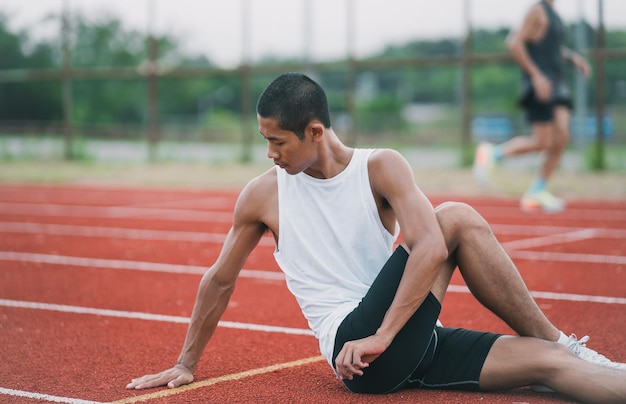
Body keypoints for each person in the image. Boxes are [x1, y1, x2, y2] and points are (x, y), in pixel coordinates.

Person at [127, 73, 625, 402]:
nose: (270, 153)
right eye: (266, 141)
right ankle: (562, 339)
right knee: (453, 216)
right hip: (358, 350)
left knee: (552, 366)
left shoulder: (379, 167)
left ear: (315, 132)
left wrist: (389, 333)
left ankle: (564, 349)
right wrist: (186, 363)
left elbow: (427, 247)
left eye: (277, 141)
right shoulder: (263, 196)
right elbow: (219, 280)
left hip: (408, 342)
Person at [473, 0, 591, 213]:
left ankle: (537, 190)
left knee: (562, 136)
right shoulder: (537, 10)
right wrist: (536, 75)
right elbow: (514, 42)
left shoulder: (553, 13)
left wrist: (573, 58)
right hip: (541, 85)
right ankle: (492, 154)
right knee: (543, 142)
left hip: (557, 84)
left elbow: (552, 48)